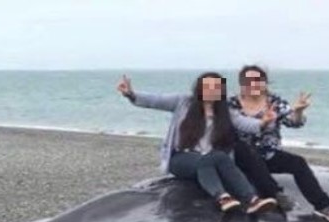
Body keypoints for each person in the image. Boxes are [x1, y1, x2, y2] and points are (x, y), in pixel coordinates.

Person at [117, 72, 277, 213]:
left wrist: (264, 122)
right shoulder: (183, 103)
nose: (211, 90)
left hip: (210, 158)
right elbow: (155, 100)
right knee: (208, 159)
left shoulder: (225, 111)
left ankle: (252, 200)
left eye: (216, 87)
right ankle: (222, 197)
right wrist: (131, 94)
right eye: (207, 86)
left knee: (220, 157)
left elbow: (245, 124)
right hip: (181, 158)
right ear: (199, 89)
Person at [229, 65, 329, 222]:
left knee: (298, 162)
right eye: (248, 81)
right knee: (244, 151)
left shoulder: (274, 101)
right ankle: (276, 194)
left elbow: (293, 122)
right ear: (242, 84)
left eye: (258, 80)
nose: (253, 84)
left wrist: (298, 111)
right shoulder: (232, 104)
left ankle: (324, 206)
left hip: (268, 154)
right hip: (243, 157)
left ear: (265, 83)